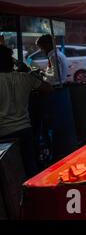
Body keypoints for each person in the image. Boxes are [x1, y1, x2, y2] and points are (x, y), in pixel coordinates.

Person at [0, 45, 53, 177]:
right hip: (25, 130)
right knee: (30, 167)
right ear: (10, 61)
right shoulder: (25, 78)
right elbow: (48, 88)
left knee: (8, 175)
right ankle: (35, 194)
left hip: (3, 134)